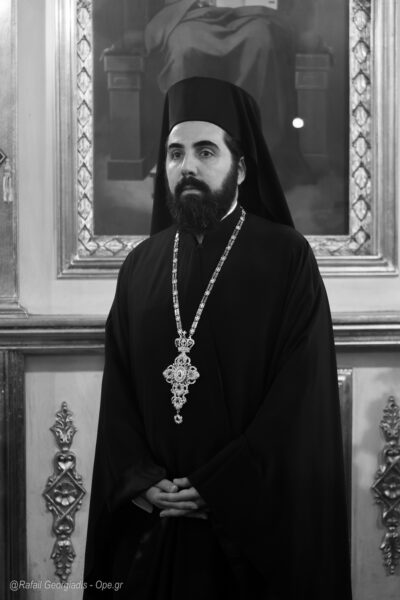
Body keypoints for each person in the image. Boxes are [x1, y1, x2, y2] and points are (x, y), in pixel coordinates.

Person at [83, 77, 352, 599]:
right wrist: (141, 479)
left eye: (206, 152)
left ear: (241, 168)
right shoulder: (140, 266)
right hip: (158, 525)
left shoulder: (286, 257)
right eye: (175, 153)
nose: (188, 166)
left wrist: (220, 486)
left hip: (248, 538)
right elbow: (119, 391)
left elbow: (300, 397)